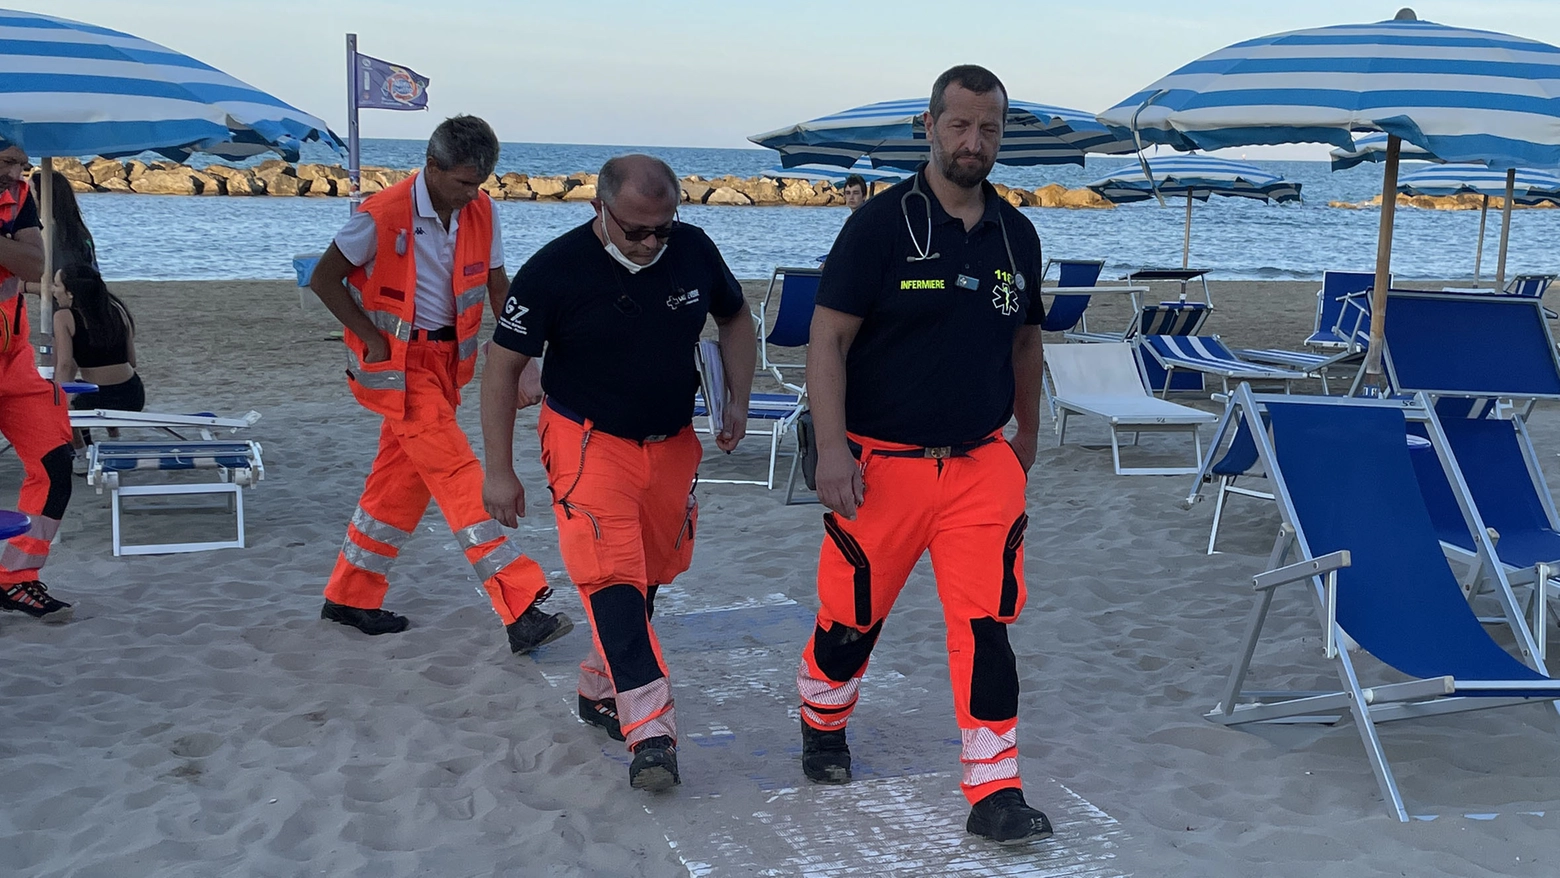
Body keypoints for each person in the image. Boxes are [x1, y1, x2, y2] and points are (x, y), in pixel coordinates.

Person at [792, 65, 1052, 844]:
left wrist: (1027, 437)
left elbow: (1026, 342)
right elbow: (827, 339)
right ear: (929, 126)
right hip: (881, 467)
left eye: (990, 129)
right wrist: (832, 450)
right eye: (960, 125)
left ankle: (994, 788)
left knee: (986, 626)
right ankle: (822, 718)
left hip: (981, 467)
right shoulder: (878, 226)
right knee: (850, 621)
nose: (975, 142)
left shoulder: (1017, 232)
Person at [480, 154, 756, 793]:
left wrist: (735, 397)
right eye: (636, 230)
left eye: (664, 227)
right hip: (586, 440)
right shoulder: (553, 270)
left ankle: (600, 687)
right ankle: (651, 734)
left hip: (671, 441)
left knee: (652, 574)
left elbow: (735, 317)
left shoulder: (692, 251)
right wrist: (499, 470)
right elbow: (500, 369)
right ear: (598, 211)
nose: (652, 242)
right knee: (611, 578)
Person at [308, 115, 571, 654]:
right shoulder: (379, 214)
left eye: (478, 184)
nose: (471, 194)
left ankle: (350, 595)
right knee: (458, 474)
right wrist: (370, 339)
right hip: (399, 369)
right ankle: (519, 603)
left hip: (449, 363)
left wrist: (521, 356)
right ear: (431, 166)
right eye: (461, 182)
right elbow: (323, 278)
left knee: (396, 485)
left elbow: (499, 284)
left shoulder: (482, 211)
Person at [0, 144, 74, 622]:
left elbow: (32, 266)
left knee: (55, 463)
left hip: (14, 361)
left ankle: (16, 579)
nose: (17, 171)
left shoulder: (19, 196)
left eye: (20, 162)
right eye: (6, 162)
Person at [53, 265, 143, 458]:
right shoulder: (116, 310)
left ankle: (80, 453)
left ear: (70, 293)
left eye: (57, 285)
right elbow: (132, 360)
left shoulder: (63, 317)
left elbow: (65, 365)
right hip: (133, 394)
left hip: (98, 398)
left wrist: (57, 395)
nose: (54, 290)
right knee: (82, 390)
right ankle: (114, 438)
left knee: (62, 403)